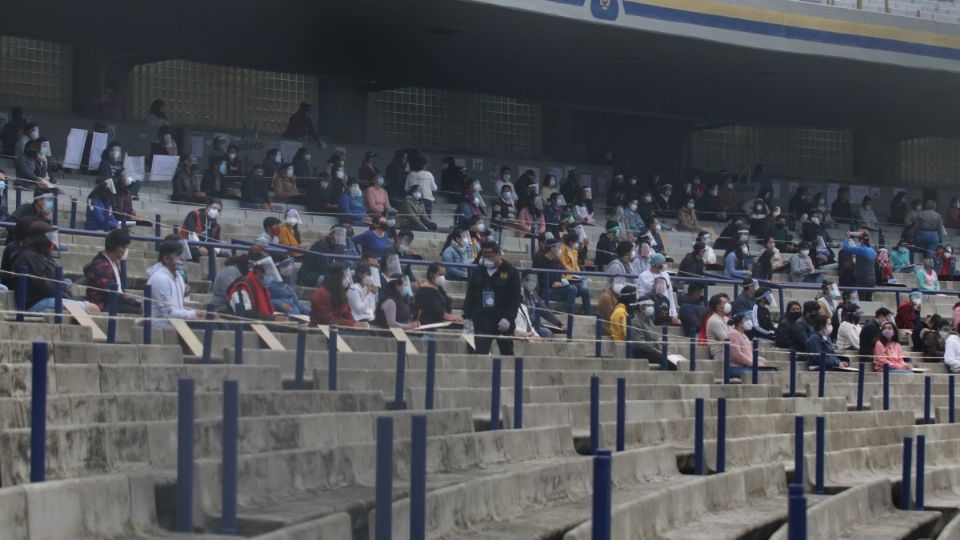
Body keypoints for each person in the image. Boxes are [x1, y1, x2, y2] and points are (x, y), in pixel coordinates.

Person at [463, 241, 521, 355]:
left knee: (507, 353)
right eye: (484, 255)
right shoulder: (478, 271)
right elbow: (470, 295)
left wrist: (508, 318)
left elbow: (515, 298)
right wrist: (467, 316)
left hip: (502, 319)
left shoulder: (511, 272)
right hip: (482, 319)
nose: (487, 258)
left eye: (490, 255)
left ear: (499, 254)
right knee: (480, 353)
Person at [82, 229, 141, 313]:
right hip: (103, 305)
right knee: (139, 311)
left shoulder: (114, 264)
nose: (125, 251)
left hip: (114, 303)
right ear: (116, 246)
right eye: (124, 247)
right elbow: (113, 293)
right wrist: (136, 303)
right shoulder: (100, 267)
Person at [147, 240, 203, 328]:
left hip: (177, 323)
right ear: (166, 259)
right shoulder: (159, 278)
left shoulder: (179, 278)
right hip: (161, 324)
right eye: (178, 255)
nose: (182, 258)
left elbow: (179, 308)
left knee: (218, 325)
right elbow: (168, 312)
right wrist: (196, 314)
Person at [225, 252, 288, 321]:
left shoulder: (263, 288)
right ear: (258, 272)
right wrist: (273, 319)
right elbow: (245, 314)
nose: (270, 277)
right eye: (268, 273)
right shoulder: (242, 287)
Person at [310, 263, 367, 328]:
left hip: (339, 327)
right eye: (344, 276)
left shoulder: (340, 292)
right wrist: (351, 324)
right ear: (336, 276)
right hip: (321, 329)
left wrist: (355, 323)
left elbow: (346, 313)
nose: (346, 279)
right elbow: (327, 320)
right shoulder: (321, 294)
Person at [210, 249, 257, 314]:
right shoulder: (229, 272)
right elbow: (234, 296)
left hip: (233, 310)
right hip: (222, 311)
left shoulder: (240, 274)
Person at [705, 293, 732, 360]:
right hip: (720, 354)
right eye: (725, 303)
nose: (728, 304)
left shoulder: (727, 319)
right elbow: (726, 339)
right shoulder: (714, 320)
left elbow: (733, 336)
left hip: (730, 351)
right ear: (719, 307)